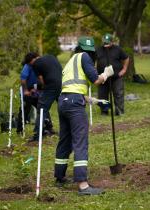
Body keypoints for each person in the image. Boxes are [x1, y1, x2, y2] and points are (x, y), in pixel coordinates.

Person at [54, 36, 114, 195]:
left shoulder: (70, 62)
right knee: (80, 141)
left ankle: (59, 176)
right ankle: (83, 185)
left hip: (63, 101)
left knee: (65, 141)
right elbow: (96, 80)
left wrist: (93, 100)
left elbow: (72, 88)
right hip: (74, 104)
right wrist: (106, 74)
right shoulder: (85, 57)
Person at [29, 54, 63, 141]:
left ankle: (38, 135)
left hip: (51, 86)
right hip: (61, 83)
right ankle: (67, 131)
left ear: (32, 60)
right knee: (64, 108)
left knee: (41, 109)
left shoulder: (36, 64)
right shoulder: (51, 57)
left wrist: (44, 88)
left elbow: (41, 79)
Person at [96, 33, 129, 116]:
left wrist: (124, 69)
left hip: (116, 76)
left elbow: (126, 58)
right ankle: (104, 111)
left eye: (107, 42)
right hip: (103, 76)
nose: (106, 44)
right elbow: (93, 60)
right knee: (102, 95)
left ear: (112, 42)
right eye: (104, 42)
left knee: (118, 94)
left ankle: (119, 111)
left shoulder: (118, 49)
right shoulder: (98, 49)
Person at [16, 52, 41, 134]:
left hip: (36, 88)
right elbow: (23, 81)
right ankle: (20, 130)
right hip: (26, 89)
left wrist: (37, 89)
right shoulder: (27, 67)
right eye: (30, 63)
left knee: (42, 107)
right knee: (25, 109)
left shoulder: (38, 64)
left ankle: (47, 126)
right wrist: (26, 90)